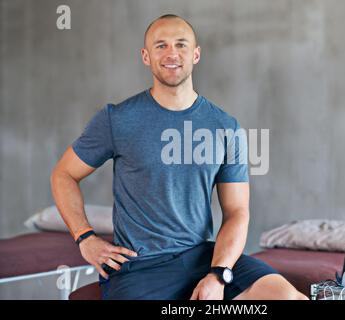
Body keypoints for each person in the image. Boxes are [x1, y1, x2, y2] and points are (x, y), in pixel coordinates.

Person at [50, 13, 308, 300]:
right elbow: (63, 174)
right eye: (160, 46)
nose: (172, 53)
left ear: (196, 54)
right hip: (139, 267)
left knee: (290, 298)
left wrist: (218, 274)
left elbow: (237, 211)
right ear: (145, 56)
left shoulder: (225, 127)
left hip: (202, 258)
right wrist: (85, 237)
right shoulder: (118, 119)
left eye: (181, 45)